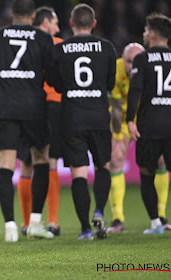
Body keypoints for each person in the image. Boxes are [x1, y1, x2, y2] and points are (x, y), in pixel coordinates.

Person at [0, 0, 54, 242]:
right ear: (33, 16)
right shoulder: (43, 38)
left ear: (12, 14)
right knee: (41, 159)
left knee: (6, 165)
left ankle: (10, 227)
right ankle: (34, 223)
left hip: (6, 107)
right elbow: (52, 76)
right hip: (35, 107)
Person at [51, 4, 116, 240]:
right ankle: (99, 211)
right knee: (102, 167)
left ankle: (85, 230)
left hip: (72, 117)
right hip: (99, 115)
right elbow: (110, 83)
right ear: (94, 24)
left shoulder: (62, 48)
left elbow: (55, 82)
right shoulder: (107, 47)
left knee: (79, 173)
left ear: (71, 23)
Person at [107, 43, 171, 233]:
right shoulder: (117, 69)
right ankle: (117, 218)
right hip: (124, 120)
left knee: (160, 162)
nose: (130, 66)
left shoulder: (148, 67)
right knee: (116, 158)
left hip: (146, 119)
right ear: (122, 58)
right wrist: (119, 134)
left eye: (134, 61)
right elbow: (116, 105)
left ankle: (160, 216)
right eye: (128, 61)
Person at [16, 6, 63, 237]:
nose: (58, 27)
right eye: (55, 22)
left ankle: (26, 224)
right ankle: (52, 221)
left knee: (26, 163)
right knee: (49, 160)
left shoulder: (18, 41)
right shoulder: (56, 43)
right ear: (45, 23)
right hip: (51, 105)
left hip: (23, 105)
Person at [127, 13, 171, 235]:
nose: (144, 34)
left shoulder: (142, 59)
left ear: (153, 34)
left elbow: (135, 91)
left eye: (145, 30)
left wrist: (129, 120)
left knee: (146, 174)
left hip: (150, 125)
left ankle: (155, 223)